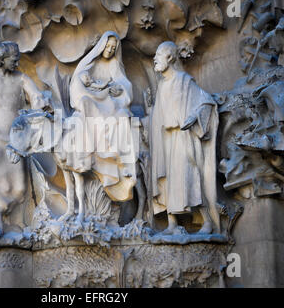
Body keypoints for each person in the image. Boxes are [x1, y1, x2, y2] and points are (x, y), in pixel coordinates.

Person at [0, 41, 51, 239]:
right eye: (13, 60)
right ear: (1, 60)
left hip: (17, 139)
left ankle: (15, 221)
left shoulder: (20, 78)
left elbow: (35, 95)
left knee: (20, 186)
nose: (16, 63)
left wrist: (41, 103)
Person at [150, 41, 220, 235]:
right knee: (168, 179)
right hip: (166, 139)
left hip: (184, 137)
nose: (155, 58)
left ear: (170, 58)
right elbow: (159, 116)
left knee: (191, 177)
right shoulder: (162, 86)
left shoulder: (184, 80)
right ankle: (171, 224)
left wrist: (193, 118)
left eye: (159, 54)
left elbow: (206, 101)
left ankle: (207, 221)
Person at [65, 31, 137, 202]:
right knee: (85, 104)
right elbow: (77, 89)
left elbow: (125, 86)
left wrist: (118, 89)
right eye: (108, 46)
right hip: (91, 102)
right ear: (101, 45)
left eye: (114, 48)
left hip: (109, 104)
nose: (110, 50)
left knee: (122, 116)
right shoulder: (88, 64)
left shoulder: (113, 65)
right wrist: (97, 91)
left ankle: (120, 160)